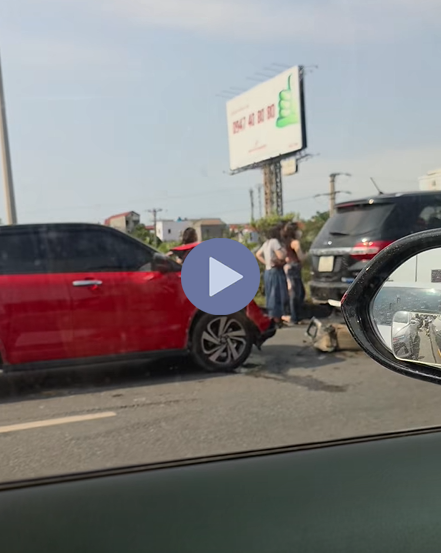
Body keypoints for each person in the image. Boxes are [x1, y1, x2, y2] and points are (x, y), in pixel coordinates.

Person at [255, 226, 288, 325]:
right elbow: (280, 256)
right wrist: (284, 253)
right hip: (275, 271)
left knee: (270, 294)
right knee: (277, 294)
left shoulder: (266, 243)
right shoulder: (275, 242)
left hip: (268, 271)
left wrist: (266, 262)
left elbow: (258, 254)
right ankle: (277, 318)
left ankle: (272, 316)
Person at [282, 222, 307, 325]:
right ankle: (295, 317)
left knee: (295, 292)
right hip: (294, 267)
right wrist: (307, 255)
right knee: (297, 293)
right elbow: (301, 257)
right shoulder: (295, 242)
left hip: (289, 267)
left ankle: (295, 316)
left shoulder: (285, 242)